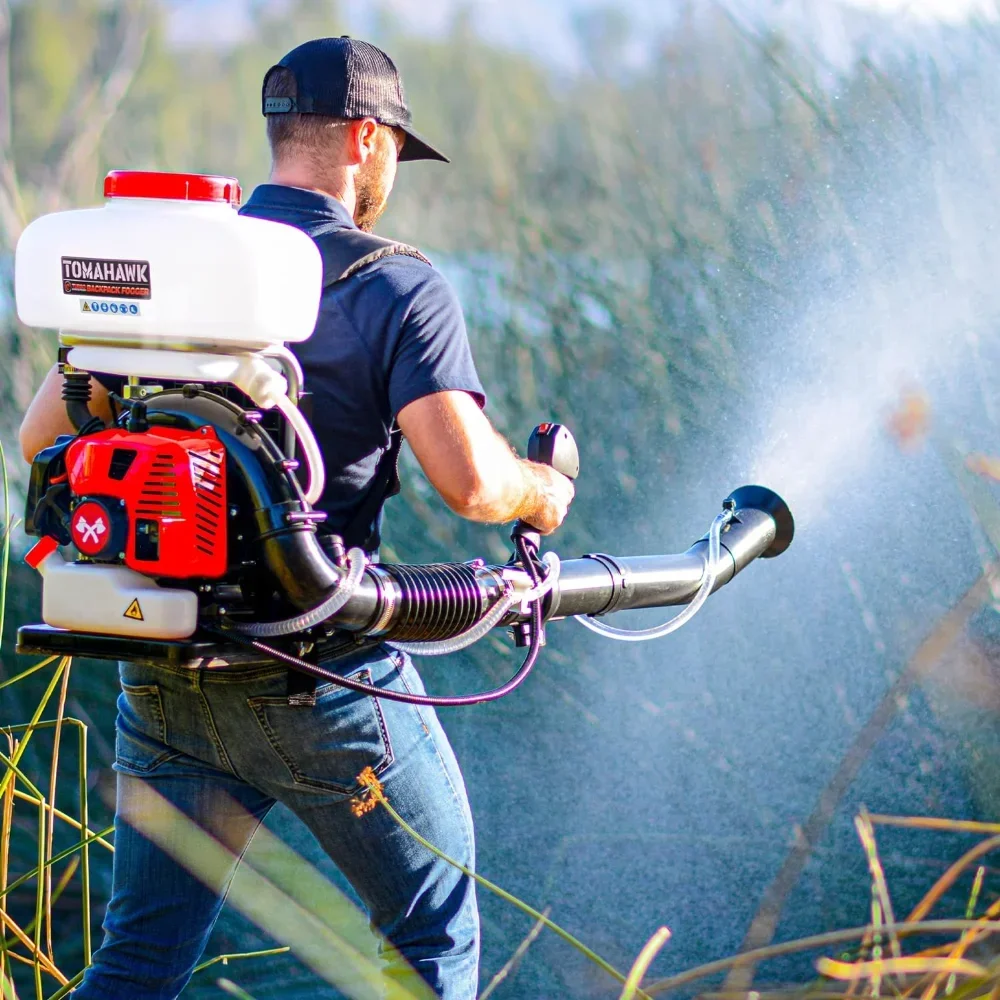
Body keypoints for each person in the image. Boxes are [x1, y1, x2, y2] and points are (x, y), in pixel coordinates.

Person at [17, 36, 575, 1000]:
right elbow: (474, 486)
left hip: (165, 677)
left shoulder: (181, 265)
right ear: (365, 138)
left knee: (138, 962)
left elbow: (39, 439)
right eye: (398, 145)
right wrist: (545, 488)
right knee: (432, 946)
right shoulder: (398, 283)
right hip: (325, 681)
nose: (394, 167)